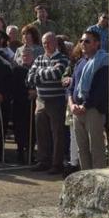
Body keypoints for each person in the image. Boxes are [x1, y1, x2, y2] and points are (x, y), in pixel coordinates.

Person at [27, 32, 69, 174]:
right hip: (41, 100)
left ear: (56, 43)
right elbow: (29, 78)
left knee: (57, 133)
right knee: (41, 132)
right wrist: (45, 73)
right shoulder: (39, 58)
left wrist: (39, 73)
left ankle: (57, 164)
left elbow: (57, 74)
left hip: (56, 101)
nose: (46, 45)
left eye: (49, 42)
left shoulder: (63, 58)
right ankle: (43, 161)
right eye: (44, 43)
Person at [68, 31, 109, 170]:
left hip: (93, 110)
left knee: (96, 148)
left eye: (87, 41)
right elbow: (71, 87)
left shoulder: (103, 62)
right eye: (81, 41)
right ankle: (86, 179)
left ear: (97, 44)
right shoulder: (79, 62)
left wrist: (85, 106)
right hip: (76, 111)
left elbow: (100, 90)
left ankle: (100, 181)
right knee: (82, 149)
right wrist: (72, 105)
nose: (82, 44)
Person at [11, 48, 36, 164]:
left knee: (31, 129)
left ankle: (30, 152)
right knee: (19, 129)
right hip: (19, 103)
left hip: (32, 104)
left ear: (32, 56)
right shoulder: (16, 70)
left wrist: (33, 92)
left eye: (27, 55)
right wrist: (26, 93)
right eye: (23, 56)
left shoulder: (36, 69)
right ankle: (20, 152)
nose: (25, 57)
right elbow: (14, 88)